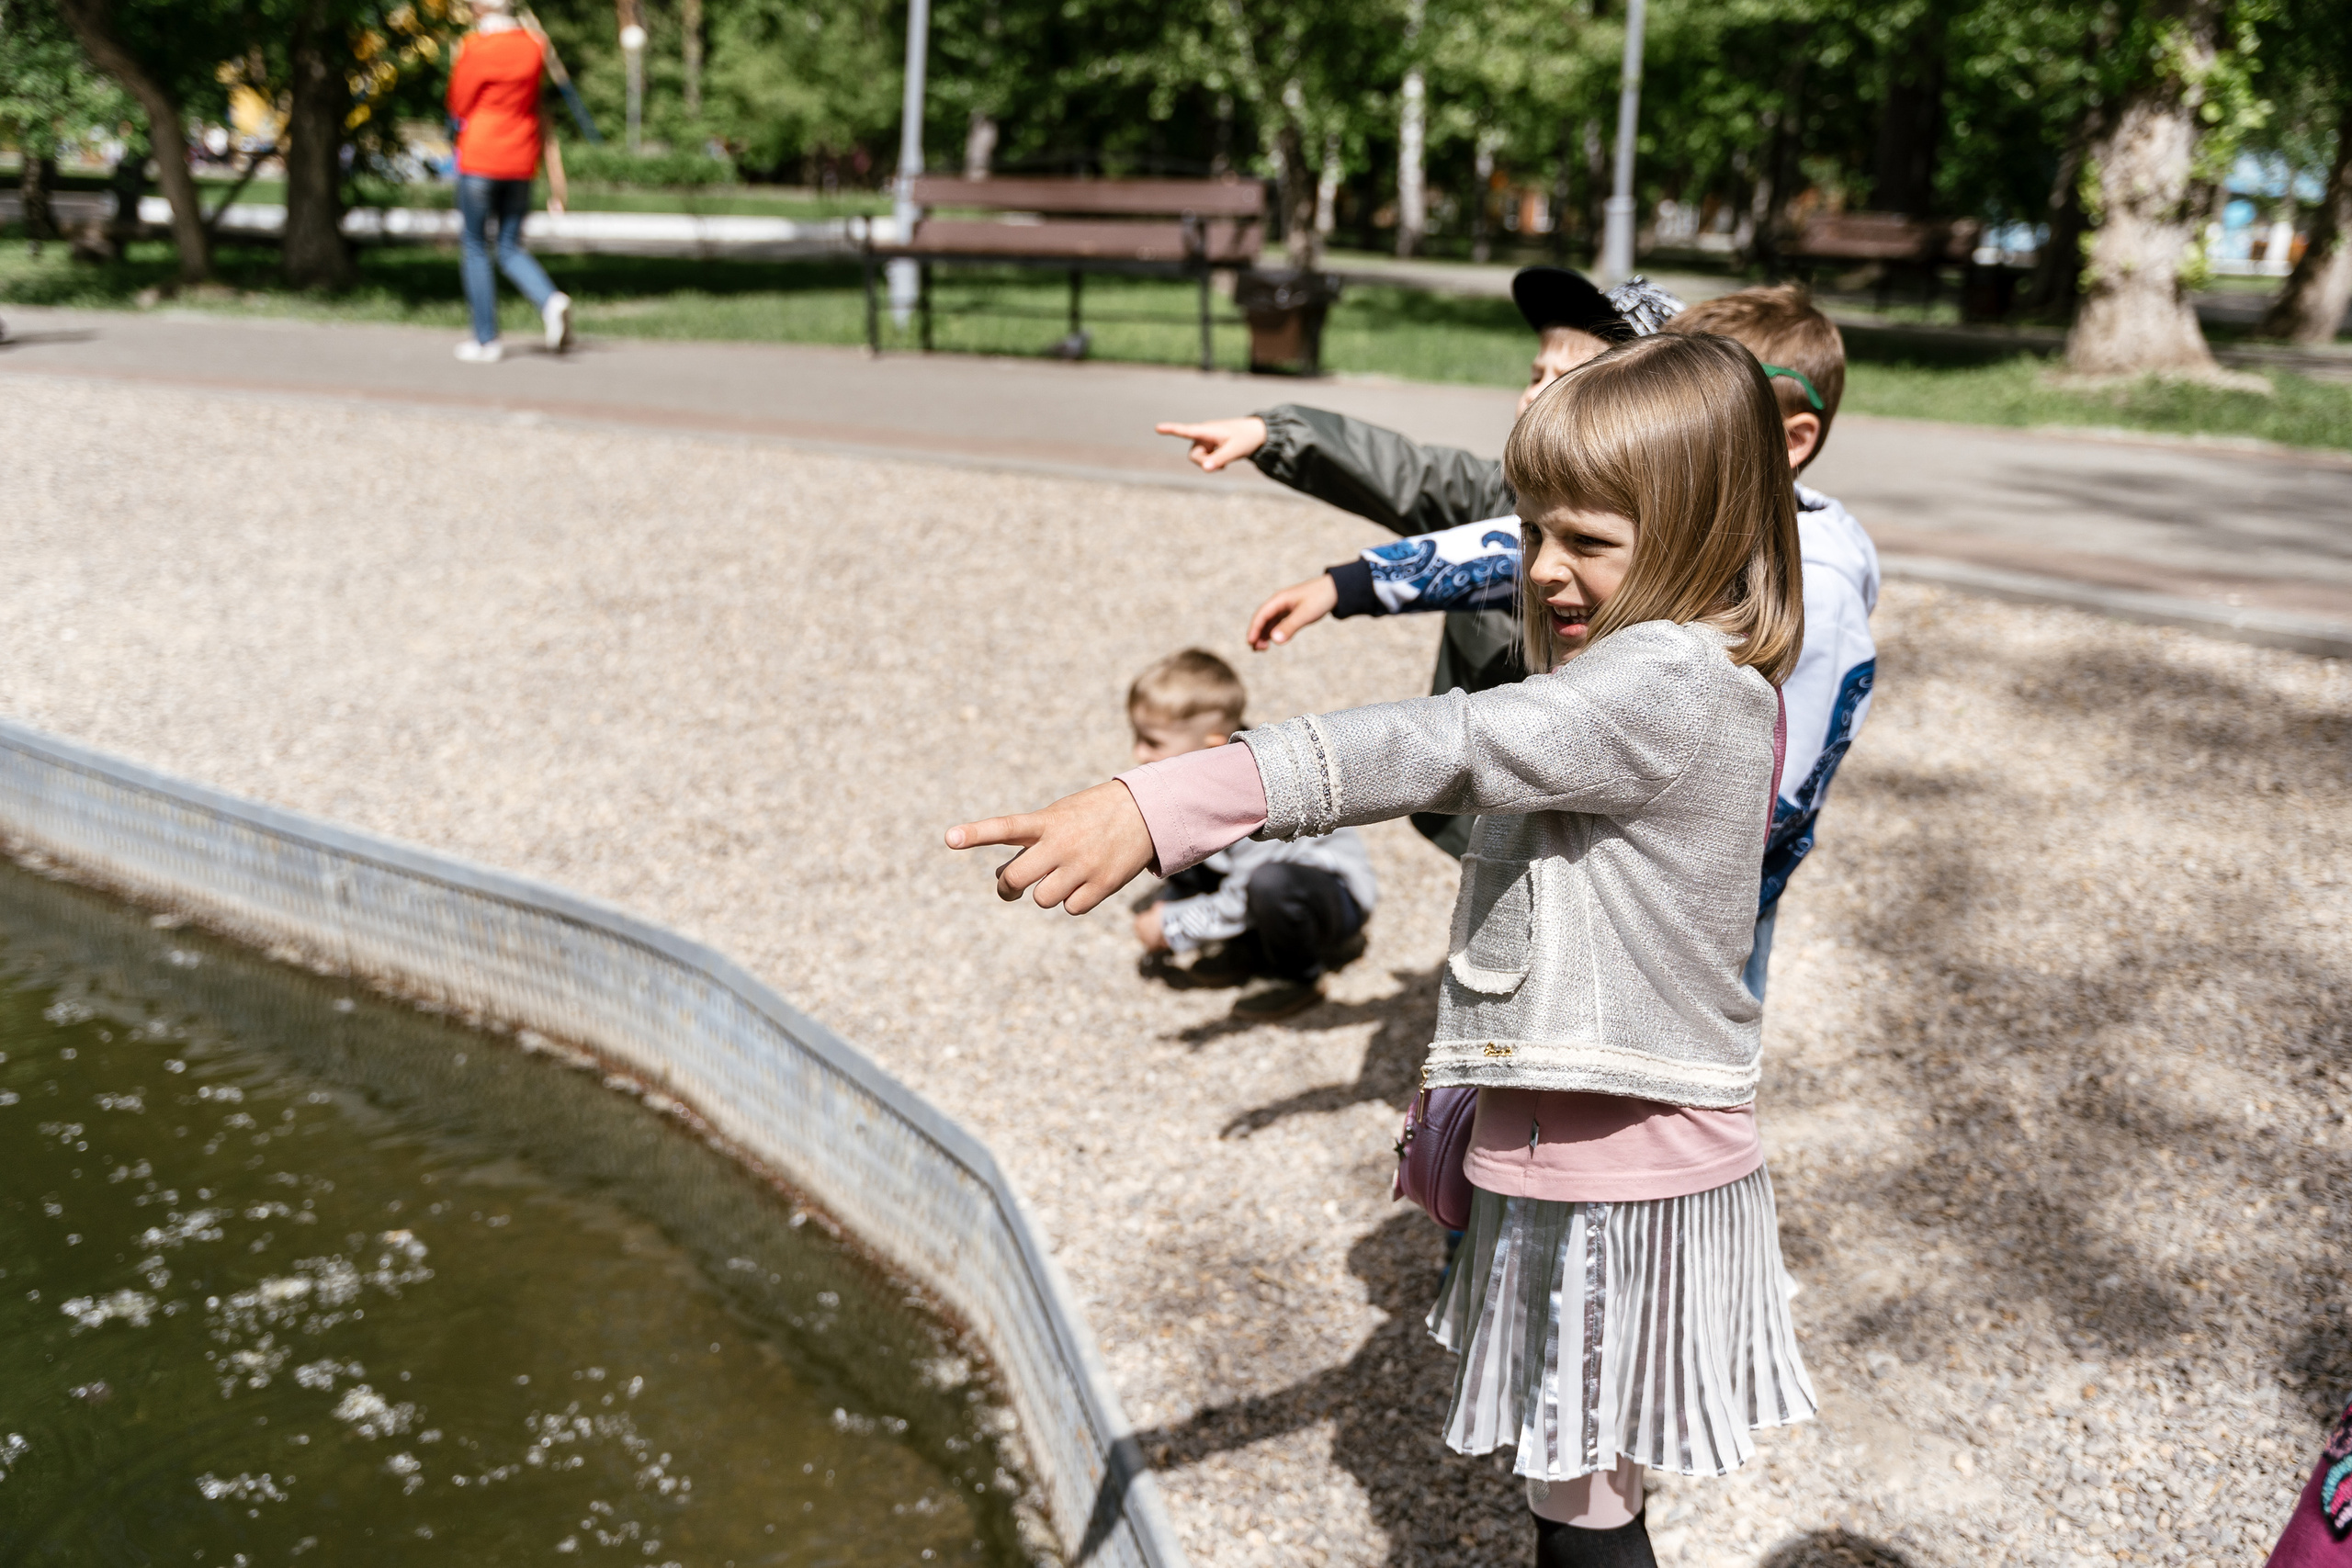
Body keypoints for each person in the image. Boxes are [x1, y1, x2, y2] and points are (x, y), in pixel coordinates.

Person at [952, 332, 1818, 1565]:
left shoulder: (1662, 684)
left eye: (1589, 542)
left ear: (1693, 532)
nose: (1546, 570)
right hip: (1600, 1143)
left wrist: (1167, 801)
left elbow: (1436, 744)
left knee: (1581, 1501)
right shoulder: (1675, 669)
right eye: (1537, 534)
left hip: (1614, 1165)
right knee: (1593, 1471)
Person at [1239, 284, 1881, 998]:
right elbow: (1503, 548)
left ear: (1788, 439)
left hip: (1711, 890)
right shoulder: (1685, 519)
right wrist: (1352, 584)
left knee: (1708, 1017)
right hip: (1623, 855)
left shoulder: (1815, 583)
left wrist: (1715, 890)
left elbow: (1789, 778)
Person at [1154, 268, 1681, 857]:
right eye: (1536, 374)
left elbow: (1495, 551)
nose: (1536, 392)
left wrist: (1348, 584)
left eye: (1569, 379)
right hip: (1493, 788)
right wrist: (1274, 434)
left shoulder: (1662, 535)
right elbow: (1410, 472)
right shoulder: (1499, 491)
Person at [1126, 649, 1376, 1021]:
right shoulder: (1200, 776)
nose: (1137, 752)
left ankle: (1297, 976)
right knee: (1173, 826)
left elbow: (1241, 896)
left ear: (1211, 744)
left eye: (1152, 742)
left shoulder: (1258, 795)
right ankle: (1250, 950)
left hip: (1330, 898)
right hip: (1257, 888)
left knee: (1271, 884)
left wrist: (1173, 925)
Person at [446, 0, 572, 365]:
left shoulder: (475, 48)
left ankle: (486, 340)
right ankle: (550, 300)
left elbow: (459, 103)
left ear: (478, 10)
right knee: (510, 246)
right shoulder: (534, 45)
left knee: (474, 245)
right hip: (521, 157)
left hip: (481, 155)